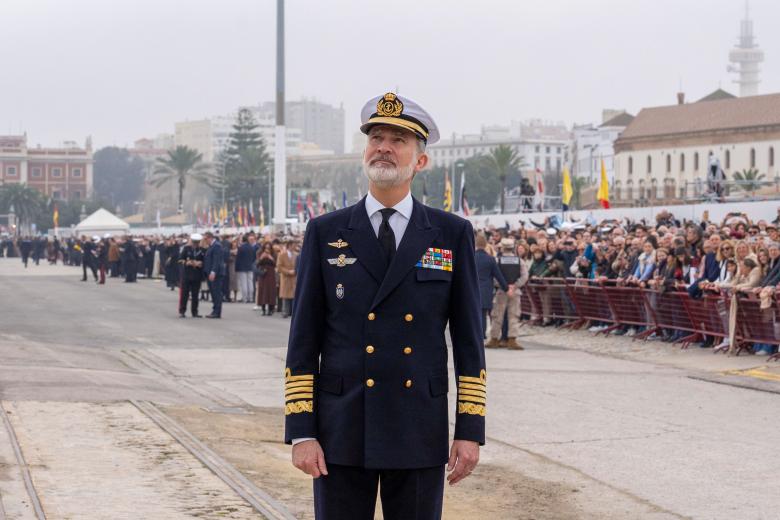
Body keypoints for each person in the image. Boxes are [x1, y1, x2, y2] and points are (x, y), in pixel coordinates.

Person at [285, 92, 484, 520]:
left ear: (421, 161)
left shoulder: (450, 234)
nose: (384, 147)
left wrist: (470, 431)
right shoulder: (326, 232)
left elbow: (470, 342)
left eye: (399, 139)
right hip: (342, 427)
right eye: (376, 137)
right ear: (365, 152)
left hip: (418, 426)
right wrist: (301, 430)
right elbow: (304, 338)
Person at [486, 237, 527, 349]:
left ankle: (494, 339)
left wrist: (504, 286)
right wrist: (514, 286)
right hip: (515, 292)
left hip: (501, 292)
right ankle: (512, 340)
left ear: (502, 248)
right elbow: (524, 276)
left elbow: (493, 277)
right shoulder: (519, 261)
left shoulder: (497, 260)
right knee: (514, 315)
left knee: (497, 315)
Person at [475, 234, 507, 339]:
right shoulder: (490, 259)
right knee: (483, 313)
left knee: (474, 312)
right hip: (486, 289)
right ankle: (482, 334)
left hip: (472, 288)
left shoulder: (470, 257)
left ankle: (475, 333)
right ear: (485, 245)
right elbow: (498, 275)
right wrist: (506, 287)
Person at [178, 233, 205, 318]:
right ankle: (182, 311)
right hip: (187, 274)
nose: (195, 244)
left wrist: (200, 263)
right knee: (184, 294)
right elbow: (180, 259)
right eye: (194, 242)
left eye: (197, 242)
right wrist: (186, 262)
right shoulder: (186, 249)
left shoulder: (202, 250)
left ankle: (195, 312)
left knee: (195, 295)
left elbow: (205, 261)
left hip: (197, 275)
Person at [203, 231, 225, 318]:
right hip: (211, 273)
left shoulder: (217, 246)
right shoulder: (212, 246)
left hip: (216, 274)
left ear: (210, 238)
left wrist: (213, 272)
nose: (205, 241)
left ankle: (217, 312)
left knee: (216, 293)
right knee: (213, 292)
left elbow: (217, 260)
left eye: (206, 239)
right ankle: (215, 310)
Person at [255, 242, 277, 315]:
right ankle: (263, 308)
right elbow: (257, 264)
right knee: (263, 290)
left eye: (268, 248)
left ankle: (271, 308)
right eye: (266, 248)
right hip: (263, 273)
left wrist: (271, 258)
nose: (267, 249)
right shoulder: (259, 253)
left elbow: (276, 264)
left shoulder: (274, 254)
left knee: (270, 291)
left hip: (271, 274)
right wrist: (262, 257)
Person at [277, 238, 298, 318]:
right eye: (293, 245)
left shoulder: (296, 254)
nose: (295, 246)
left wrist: (295, 271)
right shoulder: (282, 254)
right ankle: (285, 311)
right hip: (285, 277)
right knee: (285, 296)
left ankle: (292, 312)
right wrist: (288, 271)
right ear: (289, 245)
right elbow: (279, 266)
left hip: (294, 277)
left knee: (293, 295)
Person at [235, 235, 256, 303]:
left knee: (243, 283)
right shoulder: (252, 247)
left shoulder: (241, 248)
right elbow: (254, 257)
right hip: (250, 266)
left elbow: (238, 259)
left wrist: (236, 268)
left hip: (242, 267)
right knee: (250, 283)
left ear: (242, 240)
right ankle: (251, 297)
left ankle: (245, 298)